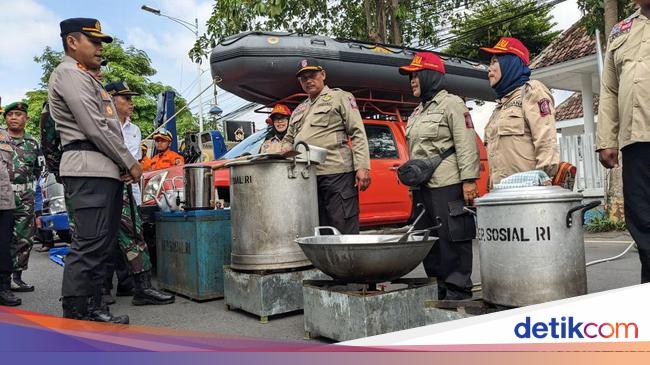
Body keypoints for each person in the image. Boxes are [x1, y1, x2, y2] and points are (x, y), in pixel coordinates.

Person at [48, 18, 142, 323]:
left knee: (101, 242)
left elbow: (107, 129)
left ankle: (92, 305)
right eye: (95, 41)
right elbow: (96, 126)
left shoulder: (87, 77)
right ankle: (77, 311)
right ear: (73, 42)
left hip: (102, 169)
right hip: (88, 168)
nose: (100, 48)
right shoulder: (69, 74)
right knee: (89, 242)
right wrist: (129, 161)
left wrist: (118, 165)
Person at [398, 52, 480, 301]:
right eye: (410, 76)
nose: (412, 80)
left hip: (448, 182)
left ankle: (457, 288)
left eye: (416, 75)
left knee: (452, 237)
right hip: (423, 186)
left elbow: (466, 143)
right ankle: (438, 285)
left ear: (430, 75)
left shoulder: (452, 104)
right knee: (428, 239)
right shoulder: (417, 112)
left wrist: (469, 180)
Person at [102, 80, 174, 306]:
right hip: (105, 188)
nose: (131, 104)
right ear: (112, 100)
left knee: (135, 237)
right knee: (104, 239)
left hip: (129, 191)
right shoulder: (101, 124)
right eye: (127, 99)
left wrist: (134, 169)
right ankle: (102, 289)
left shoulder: (134, 130)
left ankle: (142, 288)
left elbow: (136, 161)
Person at [281, 58, 371, 234]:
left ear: (323, 75)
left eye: (312, 75)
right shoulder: (299, 109)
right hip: (308, 176)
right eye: (303, 78)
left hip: (337, 174)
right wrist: (285, 147)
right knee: (318, 230)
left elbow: (357, 132)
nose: (308, 80)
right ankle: (324, 263)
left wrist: (363, 167)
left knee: (342, 228)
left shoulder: (340, 97)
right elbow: (288, 138)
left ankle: (347, 262)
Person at [597, 1, 650, 283]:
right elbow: (609, 89)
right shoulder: (621, 31)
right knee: (642, 223)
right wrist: (607, 138)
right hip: (636, 143)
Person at [479, 37, 559, 188]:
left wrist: (544, 181)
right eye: (489, 63)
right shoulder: (500, 107)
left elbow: (546, 138)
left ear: (510, 63)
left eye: (495, 61)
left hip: (528, 193)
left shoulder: (531, 91)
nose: (489, 68)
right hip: (501, 193)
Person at [4, 102, 42, 292]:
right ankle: (3, 280)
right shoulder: (1, 139)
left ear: (25, 118)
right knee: (4, 238)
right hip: (3, 196)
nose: (13, 117)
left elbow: (38, 171)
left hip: (25, 197)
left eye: (18, 114)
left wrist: (37, 206)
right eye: (10, 114)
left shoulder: (33, 143)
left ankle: (17, 278)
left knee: (24, 239)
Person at [1, 121, 22, 306]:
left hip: (4, 200)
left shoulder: (3, 135)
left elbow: (9, 168)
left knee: (4, 246)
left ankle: (3, 288)